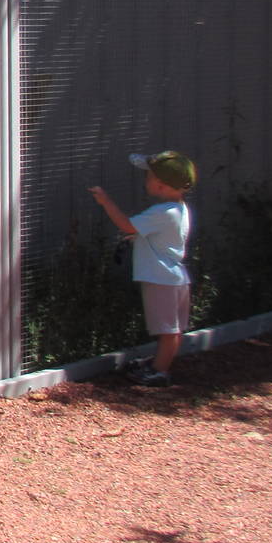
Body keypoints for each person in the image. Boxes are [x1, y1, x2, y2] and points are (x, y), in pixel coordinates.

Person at [87, 150, 197, 387]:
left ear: (161, 185)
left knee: (168, 331)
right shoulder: (179, 209)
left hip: (161, 279)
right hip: (175, 278)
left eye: (149, 177)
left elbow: (127, 225)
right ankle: (157, 364)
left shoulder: (162, 213)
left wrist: (105, 201)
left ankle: (159, 372)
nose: (146, 180)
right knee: (172, 330)